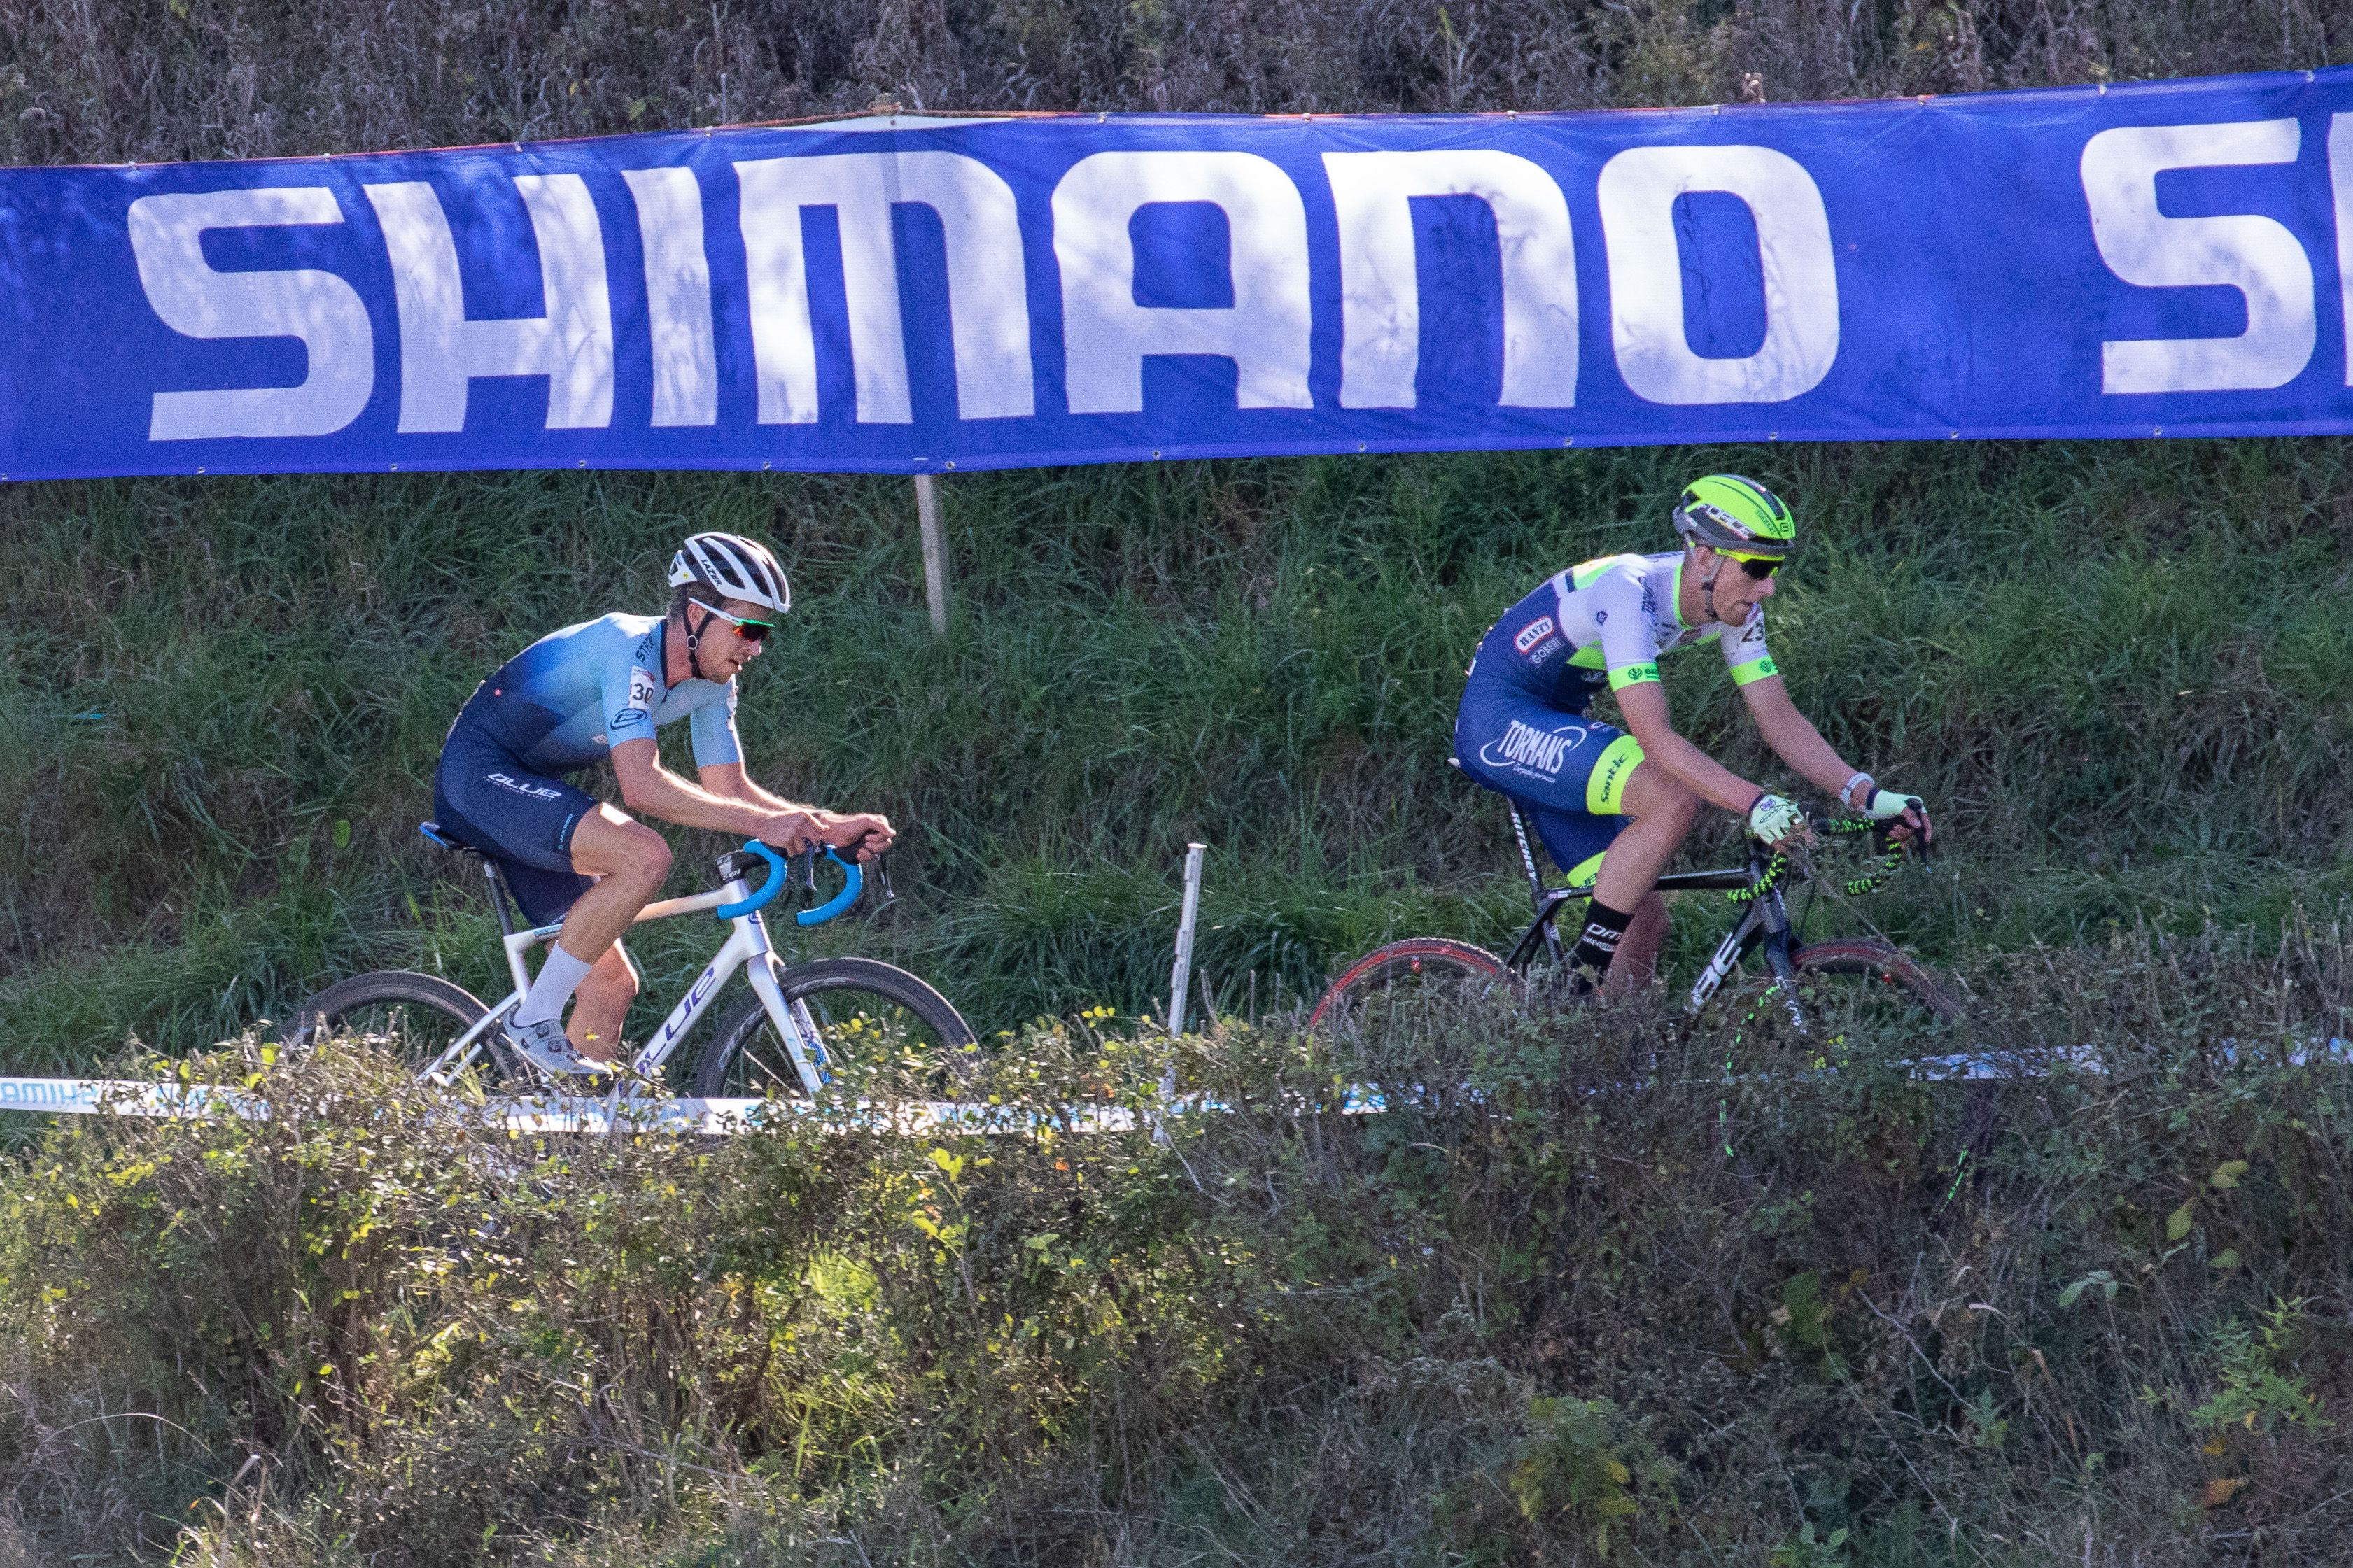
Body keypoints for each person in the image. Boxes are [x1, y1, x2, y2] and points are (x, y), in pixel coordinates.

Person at [431, 532, 894, 1075]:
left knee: (610, 988)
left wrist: (824, 826)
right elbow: (642, 787)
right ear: (696, 614)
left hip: (533, 786)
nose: (757, 647)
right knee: (644, 856)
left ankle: (561, 1142)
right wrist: (769, 824)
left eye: (765, 632)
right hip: (479, 777)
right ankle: (533, 1020)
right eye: (749, 628)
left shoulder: (713, 681)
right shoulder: (629, 650)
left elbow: (730, 790)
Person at [1452, 474, 1930, 995]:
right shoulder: (1630, 591)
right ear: (1705, 557)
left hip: (1558, 717)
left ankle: (1602, 1057)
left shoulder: (1734, 607)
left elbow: (1778, 716)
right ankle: (1582, 978)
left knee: (1645, 921)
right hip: (1500, 719)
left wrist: (1867, 795)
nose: (1768, 586)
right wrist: (1755, 804)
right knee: (1671, 796)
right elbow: (1655, 740)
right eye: (1757, 568)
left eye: (1774, 570)